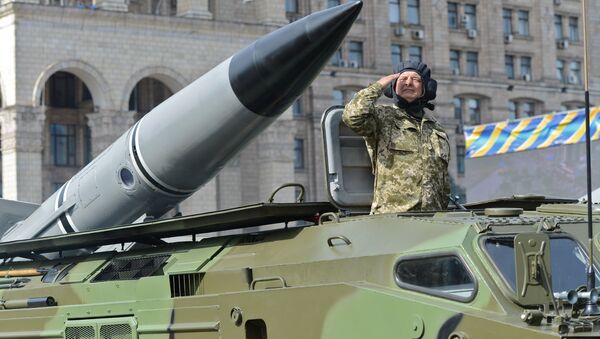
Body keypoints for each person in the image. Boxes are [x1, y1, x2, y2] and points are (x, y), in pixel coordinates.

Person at [342, 61, 450, 214]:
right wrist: (379, 85)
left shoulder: (436, 129)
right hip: (392, 218)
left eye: (415, 79)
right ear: (392, 86)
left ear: (426, 88)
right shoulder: (383, 117)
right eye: (402, 78)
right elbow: (352, 117)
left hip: (433, 218)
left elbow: (443, 182)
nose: (408, 83)